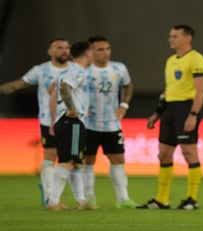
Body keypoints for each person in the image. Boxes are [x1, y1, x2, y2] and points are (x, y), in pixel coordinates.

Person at [137, 25, 203, 210]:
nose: (170, 39)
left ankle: (192, 199)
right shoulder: (170, 61)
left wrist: (193, 114)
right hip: (170, 111)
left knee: (189, 152)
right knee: (164, 154)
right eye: (170, 36)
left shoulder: (196, 59)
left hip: (186, 109)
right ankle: (162, 199)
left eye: (175, 36)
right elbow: (169, 90)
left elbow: (201, 91)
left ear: (188, 38)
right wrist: (158, 112)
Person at [0, 37, 71, 207]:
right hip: (49, 120)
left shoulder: (76, 69)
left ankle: (77, 198)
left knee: (70, 160)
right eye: (59, 47)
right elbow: (18, 85)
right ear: (50, 51)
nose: (64, 51)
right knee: (51, 155)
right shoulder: (41, 70)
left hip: (73, 120)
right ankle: (49, 197)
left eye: (67, 47)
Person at [82, 35, 136, 208]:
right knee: (88, 159)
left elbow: (128, 85)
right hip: (88, 124)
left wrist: (124, 104)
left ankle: (123, 199)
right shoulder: (83, 70)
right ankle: (89, 197)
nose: (106, 53)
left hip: (112, 124)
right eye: (100, 49)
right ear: (90, 52)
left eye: (108, 48)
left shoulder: (119, 68)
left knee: (118, 159)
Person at [46, 41, 98, 210]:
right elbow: (64, 87)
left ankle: (81, 201)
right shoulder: (77, 71)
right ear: (88, 53)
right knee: (68, 162)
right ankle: (53, 201)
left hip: (64, 121)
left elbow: (54, 93)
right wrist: (72, 108)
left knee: (76, 162)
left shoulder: (67, 71)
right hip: (73, 121)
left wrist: (54, 120)